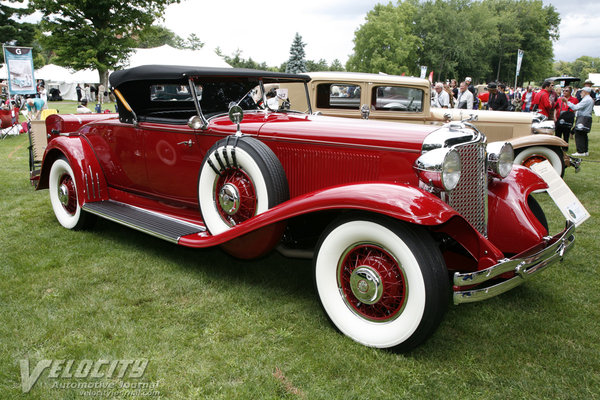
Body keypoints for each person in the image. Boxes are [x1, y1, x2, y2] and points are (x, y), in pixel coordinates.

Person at [565, 86, 594, 156]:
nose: (580, 93)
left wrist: (567, 102)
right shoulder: (589, 99)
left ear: (586, 92)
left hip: (583, 118)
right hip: (586, 118)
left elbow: (576, 107)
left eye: (582, 91)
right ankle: (585, 151)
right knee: (583, 134)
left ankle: (580, 151)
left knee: (579, 134)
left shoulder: (586, 99)